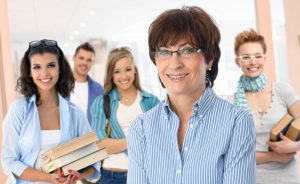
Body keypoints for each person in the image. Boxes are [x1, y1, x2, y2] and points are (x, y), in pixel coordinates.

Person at [127, 6, 256, 183]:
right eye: (164, 52)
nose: (174, 63)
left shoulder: (236, 123)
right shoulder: (141, 128)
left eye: (187, 50)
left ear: (209, 58)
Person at [1, 39, 100, 184]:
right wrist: (48, 178)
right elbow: (9, 160)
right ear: (29, 71)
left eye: (51, 65)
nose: (44, 73)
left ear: (60, 68)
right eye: (37, 67)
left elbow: (94, 159)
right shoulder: (19, 110)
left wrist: (76, 176)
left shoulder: (75, 113)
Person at [233, 28, 300, 183]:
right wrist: (273, 156)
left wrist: (295, 146)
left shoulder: (283, 91)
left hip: (287, 179)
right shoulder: (232, 102)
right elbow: (235, 153)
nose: (253, 61)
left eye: (258, 56)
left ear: (265, 59)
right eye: (246, 57)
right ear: (238, 61)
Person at [91, 47, 159, 184]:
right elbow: (100, 145)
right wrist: (137, 140)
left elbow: (160, 139)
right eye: (117, 71)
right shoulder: (102, 103)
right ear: (111, 75)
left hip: (147, 174)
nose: (123, 76)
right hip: (113, 175)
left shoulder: (151, 101)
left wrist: (117, 144)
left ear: (135, 69)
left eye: (128, 69)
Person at [71, 42, 104, 125]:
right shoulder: (59, 85)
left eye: (89, 60)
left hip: (90, 136)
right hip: (66, 137)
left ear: (93, 63)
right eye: (81, 58)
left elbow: (101, 118)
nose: (84, 63)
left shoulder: (98, 89)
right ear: (74, 58)